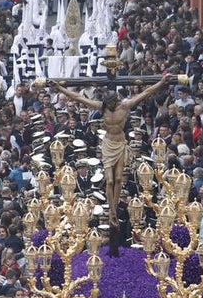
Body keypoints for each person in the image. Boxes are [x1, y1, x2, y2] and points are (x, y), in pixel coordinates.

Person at [49, 74, 181, 253]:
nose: (110, 108)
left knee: (118, 179)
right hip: (108, 145)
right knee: (109, 181)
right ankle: (112, 212)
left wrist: (162, 82)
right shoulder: (101, 107)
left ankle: (114, 212)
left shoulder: (125, 106)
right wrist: (60, 88)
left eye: (112, 105)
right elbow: (78, 97)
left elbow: (146, 92)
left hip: (120, 144)